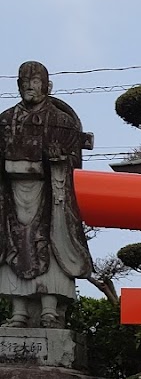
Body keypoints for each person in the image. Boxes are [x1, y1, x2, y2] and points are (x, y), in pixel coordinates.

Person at [0, 60, 93, 328]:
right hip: (12, 197)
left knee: (52, 245)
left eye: (35, 82)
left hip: (51, 196)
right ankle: (18, 311)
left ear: (47, 85)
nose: (30, 87)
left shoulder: (61, 121)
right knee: (12, 247)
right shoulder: (5, 120)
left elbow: (74, 157)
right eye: (24, 83)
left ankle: (49, 310)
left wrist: (59, 160)